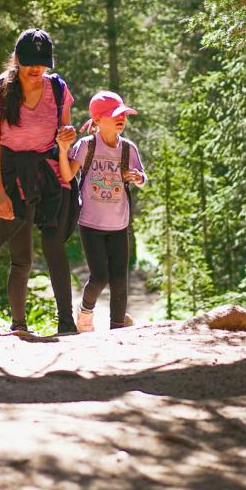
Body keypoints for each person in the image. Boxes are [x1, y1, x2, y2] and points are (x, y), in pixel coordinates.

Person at [0, 29, 80, 335]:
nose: (36, 68)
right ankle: (19, 324)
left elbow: (64, 134)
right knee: (21, 256)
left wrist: (68, 137)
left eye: (42, 63)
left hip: (50, 173)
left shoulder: (59, 89)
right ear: (17, 59)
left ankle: (66, 323)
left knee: (54, 246)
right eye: (29, 62)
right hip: (13, 175)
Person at [58, 90, 146, 332]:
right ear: (97, 120)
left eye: (123, 115)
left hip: (120, 223)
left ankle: (118, 327)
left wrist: (137, 177)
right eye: (114, 115)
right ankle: (85, 311)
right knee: (100, 277)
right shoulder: (86, 146)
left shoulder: (127, 148)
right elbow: (67, 175)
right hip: (90, 224)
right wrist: (64, 150)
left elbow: (141, 176)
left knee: (120, 279)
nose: (121, 119)